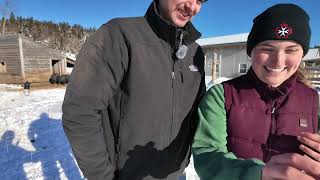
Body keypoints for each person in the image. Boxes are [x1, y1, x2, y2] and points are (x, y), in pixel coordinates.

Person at [62, 0, 207, 179]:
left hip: (174, 173)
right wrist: (102, 176)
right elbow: (80, 111)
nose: (191, 7)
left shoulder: (195, 53)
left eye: (200, 0)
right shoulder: (119, 35)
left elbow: (198, 116)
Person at [192, 3, 320, 180]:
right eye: (267, 49)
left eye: (291, 50)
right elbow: (207, 157)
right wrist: (258, 174)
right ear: (251, 52)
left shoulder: (313, 100)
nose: (278, 61)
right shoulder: (223, 95)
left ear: (302, 54)